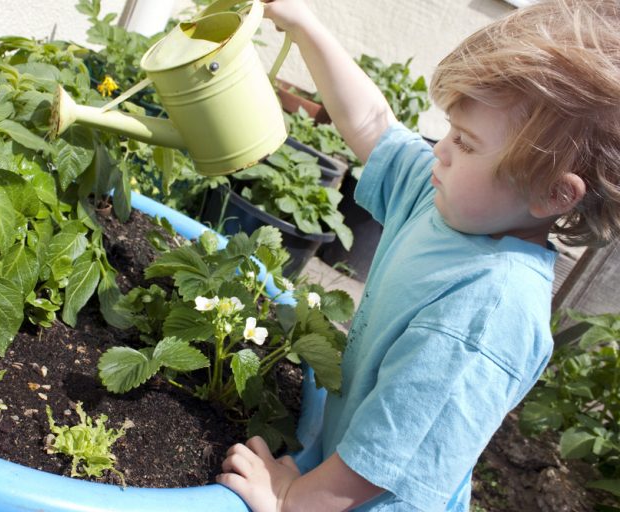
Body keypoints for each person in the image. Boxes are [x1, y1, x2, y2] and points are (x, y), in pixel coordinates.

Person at [216, 0, 620, 510]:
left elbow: (387, 457)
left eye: (467, 143)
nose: (440, 149)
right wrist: (304, 25)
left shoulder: (488, 309)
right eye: (450, 129)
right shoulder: (448, 203)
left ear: (552, 195)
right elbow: (373, 123)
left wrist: (289, 498)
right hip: (339, 469)